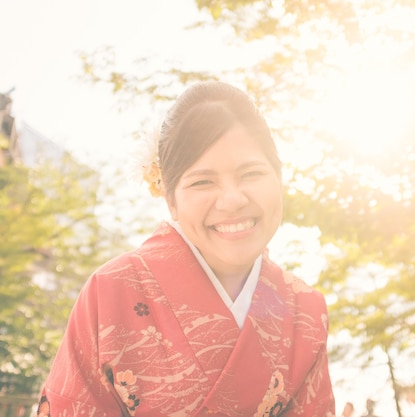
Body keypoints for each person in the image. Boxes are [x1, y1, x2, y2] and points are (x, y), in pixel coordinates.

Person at [35, 81, 335, 417]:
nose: (233, 199)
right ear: (170, 199)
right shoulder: (110, 291)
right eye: (203, 181)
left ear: (279, 179)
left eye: (251, 173)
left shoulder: (305, 309)